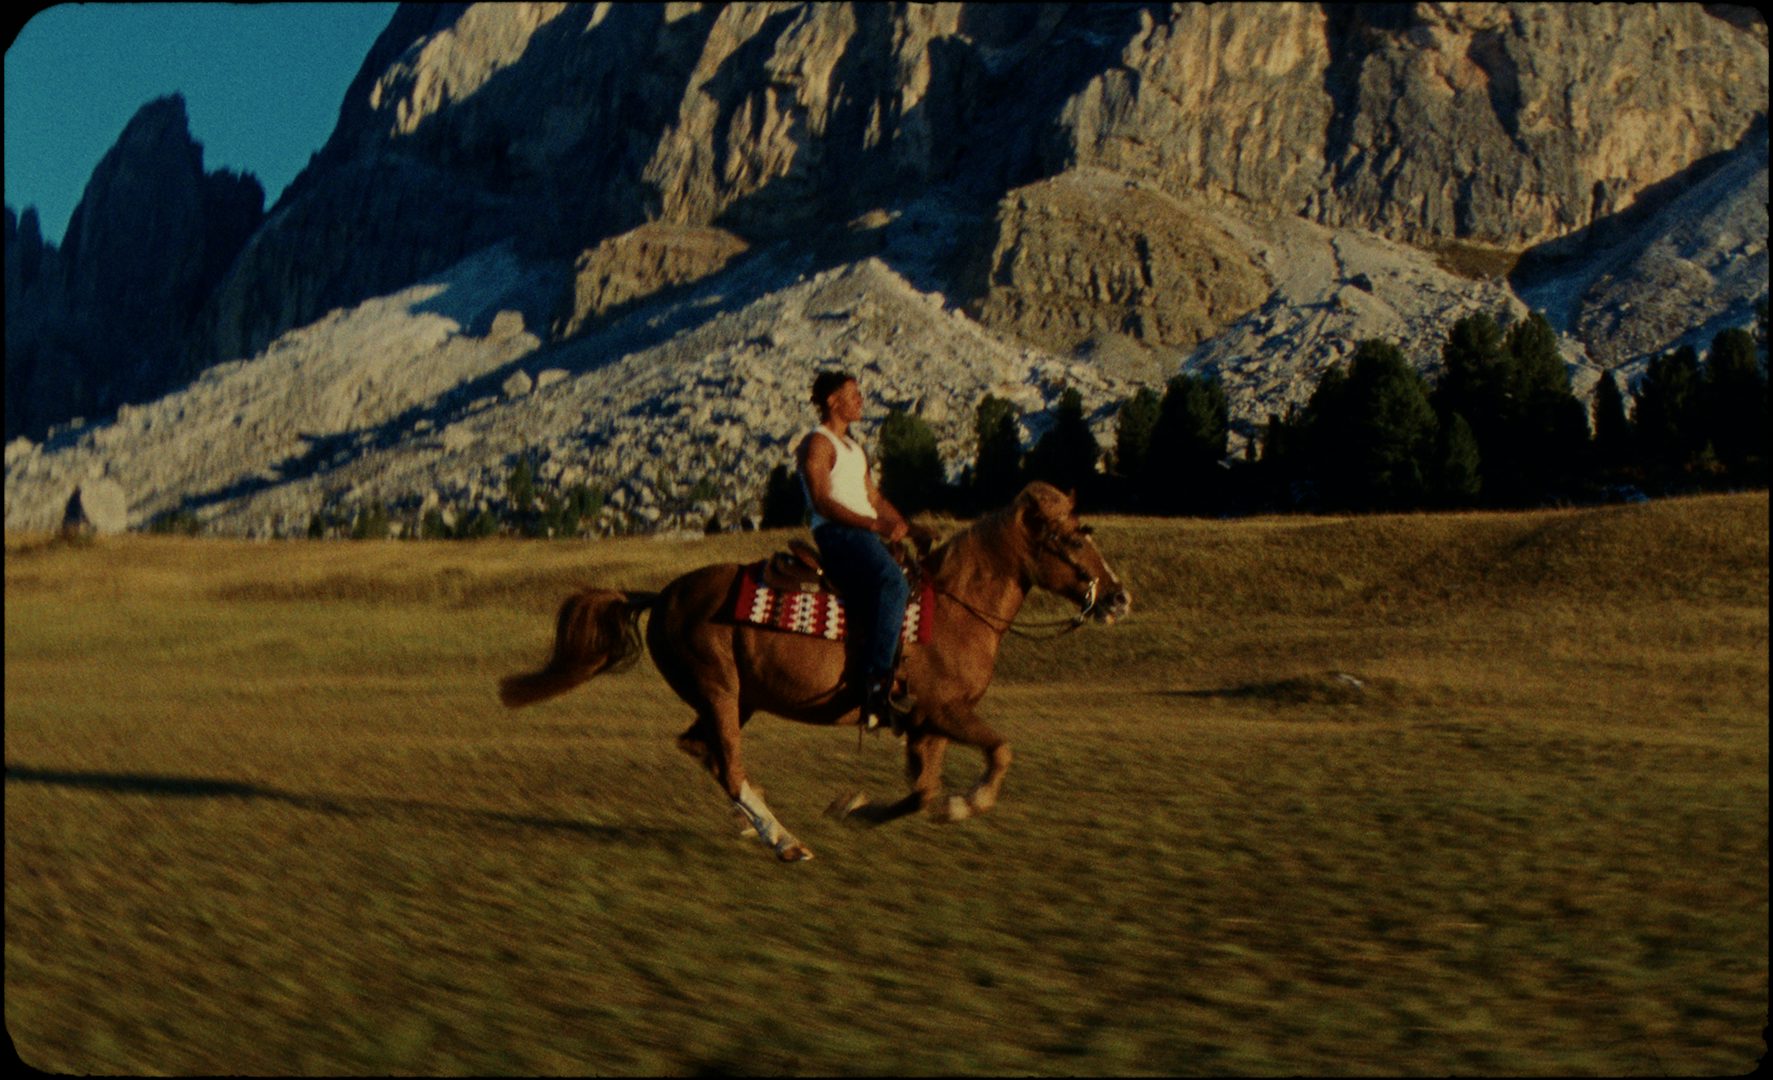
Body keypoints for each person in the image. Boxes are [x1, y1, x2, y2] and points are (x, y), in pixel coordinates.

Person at [797, 370, 920, 732]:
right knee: (893, 584)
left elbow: (873, 498)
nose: (860, 400)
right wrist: (873, 526)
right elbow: (821, 501)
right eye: (853, 394)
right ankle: (876, 684)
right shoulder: (818, 444)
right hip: (839, 535)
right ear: (833, 401)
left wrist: (905, 528)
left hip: (863, 534)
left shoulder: (852, 447)